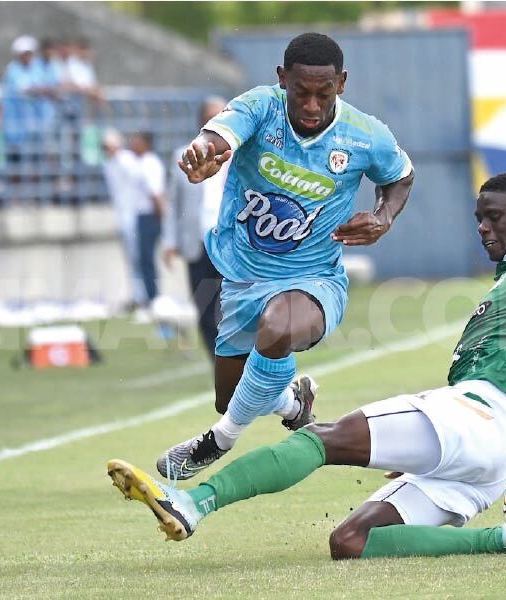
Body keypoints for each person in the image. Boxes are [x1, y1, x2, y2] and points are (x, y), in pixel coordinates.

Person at [107, 172, 506, 559]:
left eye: (495, 217)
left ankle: (192, 501)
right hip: (494, 454)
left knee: (321, 440)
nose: (483, 228)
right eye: (478, 218)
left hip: (475, 415)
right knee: (350, 542)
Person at [156, 32, 414, 479]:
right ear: (282, 80)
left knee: (277, 328)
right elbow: (219, 134)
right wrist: (204, 153)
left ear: (342, 83)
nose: (312, 106)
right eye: (301, 93)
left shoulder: (365, 135)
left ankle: (218, 440)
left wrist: (383, 217)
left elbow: (402, 176)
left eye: (323, 93)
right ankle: (295, 404)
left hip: (313, 278)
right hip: (241, 277)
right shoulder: (260, 106)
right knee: (234, 395)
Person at [163, 96, 229, 359]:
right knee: (204, 308)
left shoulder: (239, 154)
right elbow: (172, 204)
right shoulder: (183, 154)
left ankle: (236, 362)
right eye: (212, 115)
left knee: (230, 307)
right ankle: (218, 363)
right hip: (196, 242)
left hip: (228, 242)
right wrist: (170, 242)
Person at [102, 128, 145, 311]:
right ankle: (136, 295)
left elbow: (139, 185)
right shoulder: (109, 165)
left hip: (134, 215)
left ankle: (143, 296)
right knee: (131, 259)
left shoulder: (126, 161)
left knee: (138, 258)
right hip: (123, 217)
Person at [130, 131, 165, 311]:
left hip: (150, 215)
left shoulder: (150, 163)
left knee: (147, 258)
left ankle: (153, 298)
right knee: (144, 259)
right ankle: (150, 296)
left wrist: (160, 217)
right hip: (144, 215)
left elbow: (156, 193)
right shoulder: (142, 162)